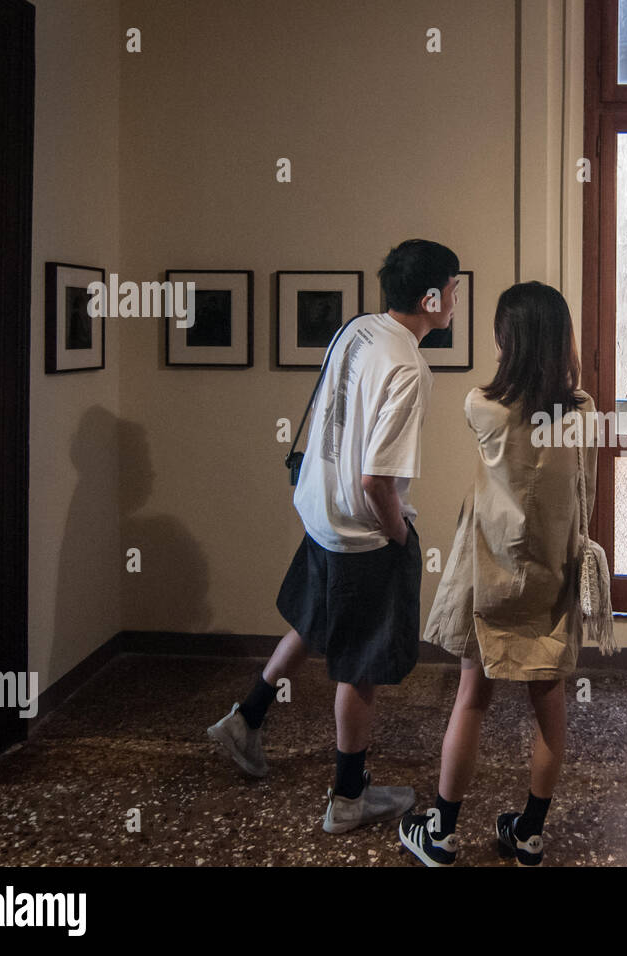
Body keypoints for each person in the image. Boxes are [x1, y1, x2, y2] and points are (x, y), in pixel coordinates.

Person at [207, 239, 460, 834]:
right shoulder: (409, 368)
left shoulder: (358, 329)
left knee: (315, 619)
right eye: (452, 288)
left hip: (319, 509)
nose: (455, 299)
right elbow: (377, 480)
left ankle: (246, 720)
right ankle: (349, 797)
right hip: (359, 529)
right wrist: (399, 536)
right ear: (429, 297)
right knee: (361, 664)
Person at [399, 280, 597, 867]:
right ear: (561, 340)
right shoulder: (582, 414)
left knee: (471, 700)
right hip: (548, 581)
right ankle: (529, 832)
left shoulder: (481, 405)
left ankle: (440, 832)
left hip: (491, 573)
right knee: (549, 703)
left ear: (506, 341)